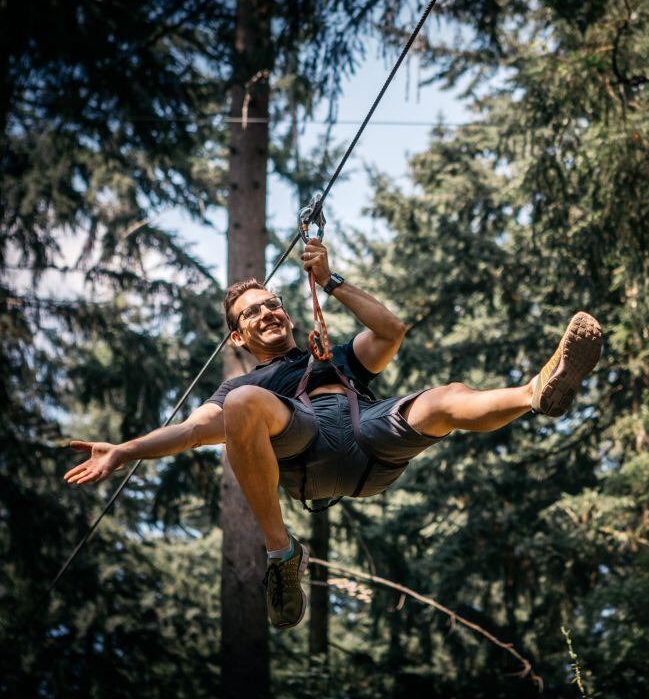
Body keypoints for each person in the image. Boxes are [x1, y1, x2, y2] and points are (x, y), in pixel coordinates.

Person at [64, 237, 603, 629]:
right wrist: (125, 450)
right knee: (247, 403)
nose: (268, 312)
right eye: (252, 312)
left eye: (273, 303)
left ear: (289, 315)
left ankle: (537, 393)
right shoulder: (243, 387)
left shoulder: (341, 358)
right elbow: (193, 430)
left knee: (445, 398)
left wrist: (331, 281)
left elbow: (391, 331)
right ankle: (281, 554)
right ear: (238, 335)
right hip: (304, 454)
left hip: (366, 437)